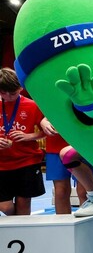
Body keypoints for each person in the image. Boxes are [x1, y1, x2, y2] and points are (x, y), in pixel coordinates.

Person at [0, 68, 45, 216]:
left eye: (12, 93)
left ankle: (22, 230)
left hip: (27, 161)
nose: (8, 97)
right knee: (5, 207)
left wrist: (29, 136)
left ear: (20, 88)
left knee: (23, 204)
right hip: (2, 165)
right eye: (3, 93)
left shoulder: (32, 105)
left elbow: (46, 131)